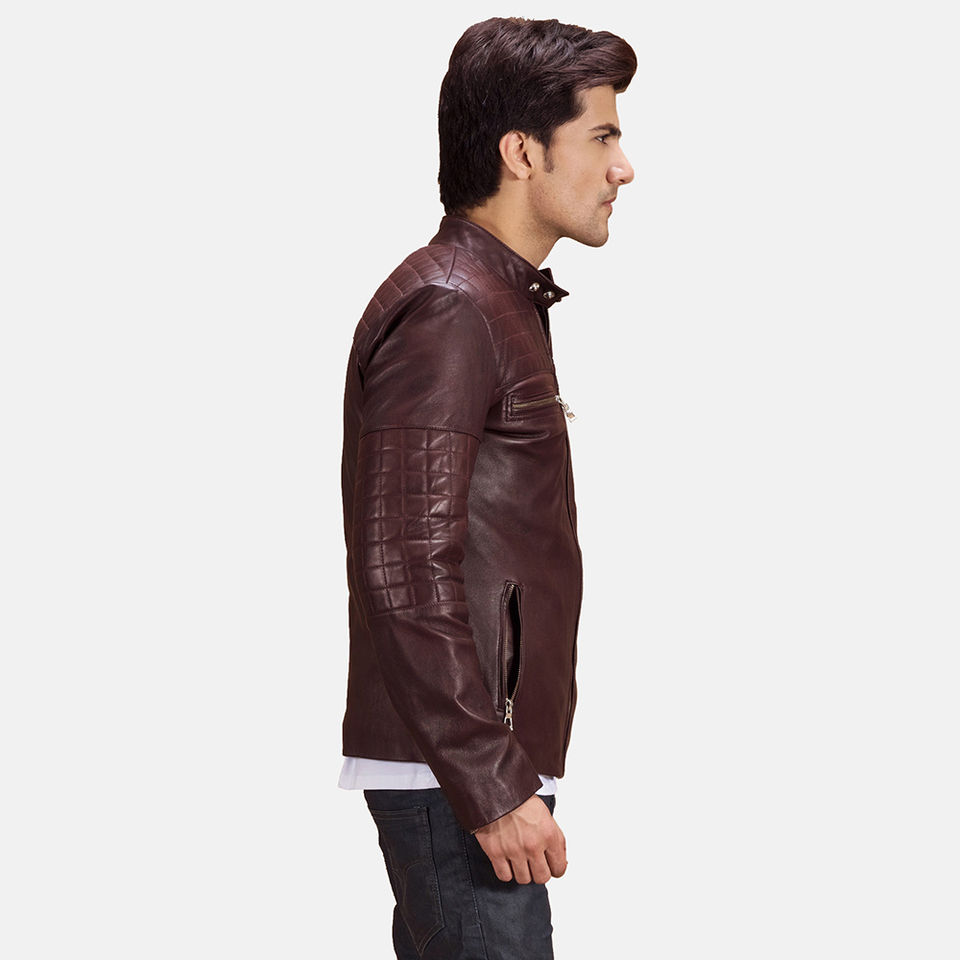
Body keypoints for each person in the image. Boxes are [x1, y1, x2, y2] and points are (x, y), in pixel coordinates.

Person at [338, 16, 636, 959]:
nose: (623, 167)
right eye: (601, 135)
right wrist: (491, 781)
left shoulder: (492, 297)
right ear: (521, 153)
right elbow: (403, 563)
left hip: (466, 765)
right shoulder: (453, 307)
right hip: (459, 774)